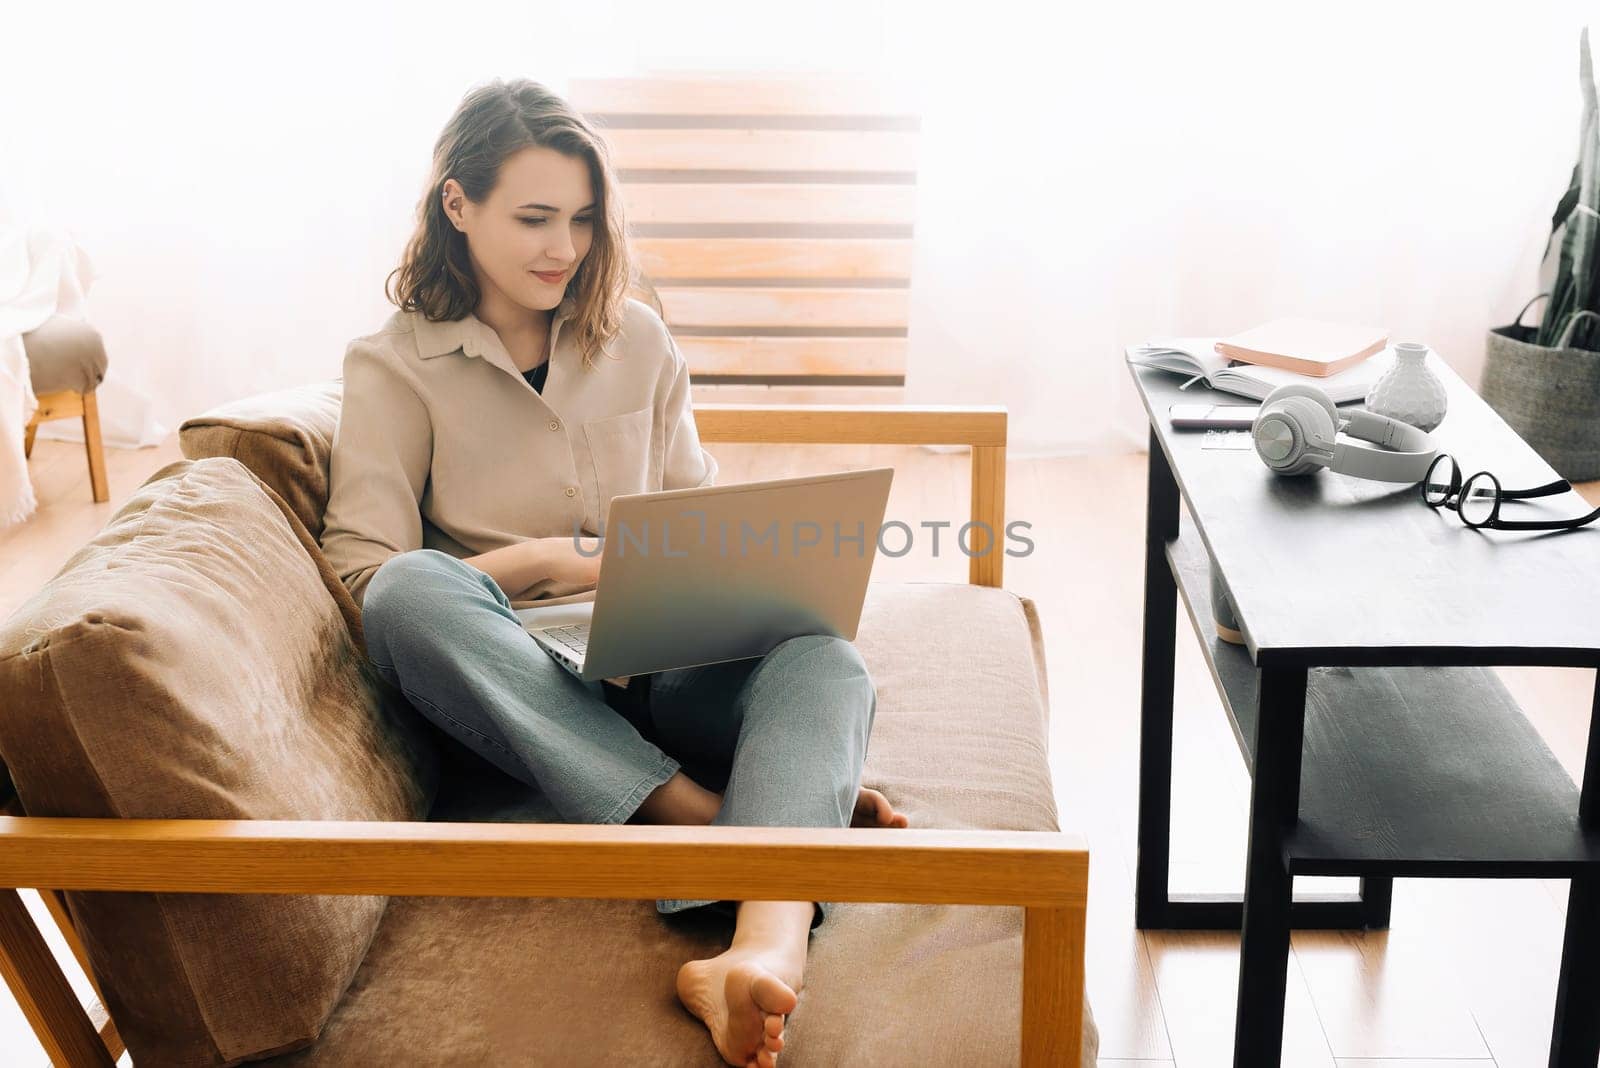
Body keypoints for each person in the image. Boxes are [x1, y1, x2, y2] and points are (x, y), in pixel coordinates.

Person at [318, 78, 906, 1068]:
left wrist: (745, 570)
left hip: (660, 657)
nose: (564, 247)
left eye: (583, 220)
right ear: (456, 207)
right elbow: (367, 579)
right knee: (419, 592)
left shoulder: (636, 337)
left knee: (825, 658)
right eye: (534, 217)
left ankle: (756, 952)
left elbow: (698, 516)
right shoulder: (393, 366)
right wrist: (552, 558)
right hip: (518, 684)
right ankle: (718, 816)